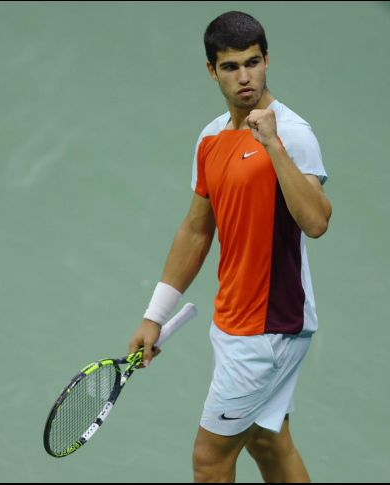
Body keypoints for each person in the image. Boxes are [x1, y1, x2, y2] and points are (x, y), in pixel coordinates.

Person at [127, 10, 332, 483]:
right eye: (231, 66)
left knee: (210, 460)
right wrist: (154, 315)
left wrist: (273, 146)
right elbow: (197, 230)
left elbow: (317, 221)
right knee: (267, 442)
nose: (245, 77)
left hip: (267, 328)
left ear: (267, 61)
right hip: (236, 318)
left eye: (254, 63)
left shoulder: (293, 134)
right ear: (211, 70)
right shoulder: (211, 138)